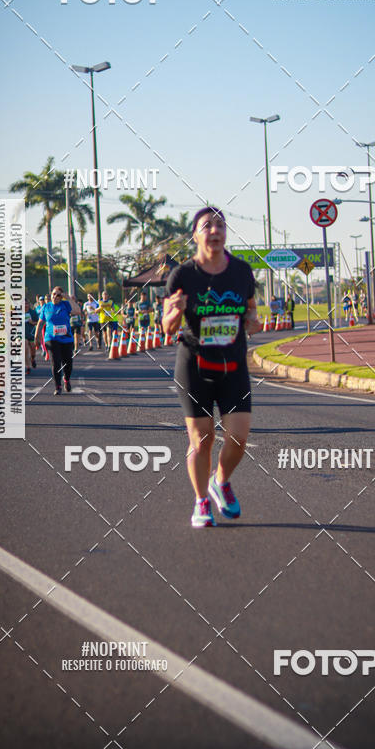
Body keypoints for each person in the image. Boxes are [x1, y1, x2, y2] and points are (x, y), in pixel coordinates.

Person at [164, 206, 262, 528]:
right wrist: (175, 313)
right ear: (195, 235)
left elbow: (251, 312)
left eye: (220, 224)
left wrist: (252, 320)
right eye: (207, 225)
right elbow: (166, 327)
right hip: (194, 363)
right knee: (202, 439)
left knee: (238, 437)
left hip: (233, 363)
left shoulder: (242, 271)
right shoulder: (182, 275)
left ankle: (221, 481)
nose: (215, 230)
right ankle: (201, 500)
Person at [35, 286, 81, 394]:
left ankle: (66, 379)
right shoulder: (46, 307)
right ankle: (58, 386)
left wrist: (68, 298)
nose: (55, 296)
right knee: (56, 362)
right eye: (53, 294)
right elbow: (40, 323)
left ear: (61, 297)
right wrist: (36, 337)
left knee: (68, 362)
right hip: (51, 338)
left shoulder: (65, 305)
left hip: (66, 339)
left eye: (58, 295)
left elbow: (78, 311)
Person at [24, 299, 38, 373]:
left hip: (31, 334)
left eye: (27, 304)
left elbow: (38, 322)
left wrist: (32, 322)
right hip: (22, 334)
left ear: (29, 305)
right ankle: (27, 366)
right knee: (25, 346)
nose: (25, 306)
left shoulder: (32, 312)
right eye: (24, 304)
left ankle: (32, 359)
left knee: (33, 349)